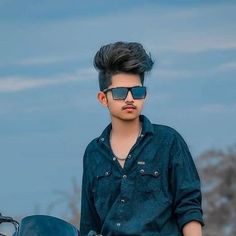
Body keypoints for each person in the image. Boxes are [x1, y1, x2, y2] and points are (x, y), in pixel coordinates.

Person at [80, 41, 204, 236]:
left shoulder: (168, 142)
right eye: (120, 92)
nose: (130, 99)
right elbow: (89, 223)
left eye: (137, 92)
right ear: (103, 98)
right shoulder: (93, 153)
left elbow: (189, 207)